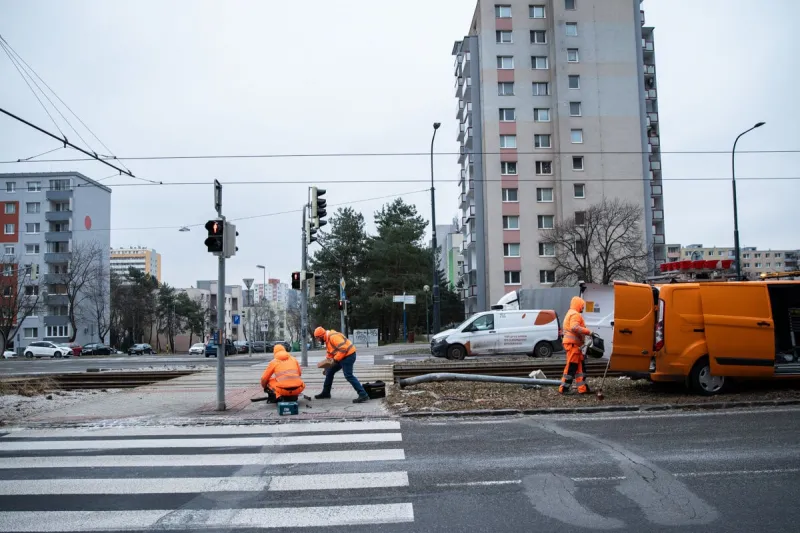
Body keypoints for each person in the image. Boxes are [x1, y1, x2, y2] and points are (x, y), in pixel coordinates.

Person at [313, 326, 369, 403]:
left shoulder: (333, 337)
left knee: (348, 375)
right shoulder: (327, 339)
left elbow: (344, 349)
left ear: (321, 336)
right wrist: (326, 366)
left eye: (318, 338)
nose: (318, 340)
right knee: (329, 372)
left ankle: (363, 394)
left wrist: (335, 360)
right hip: (341, 357)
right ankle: (326, 393)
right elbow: (330, 354)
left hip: (348, 356)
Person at [560, 296, 592, 395]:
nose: (583, 308)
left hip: (574, 346)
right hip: (573, 345)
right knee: (571, 367)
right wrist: (588, 332)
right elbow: (574, 327)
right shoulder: (575, 314)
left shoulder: (570, 313)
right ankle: (563, 388)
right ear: (578, 305)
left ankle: (582, 389)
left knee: (580, 368)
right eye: (582, 306)